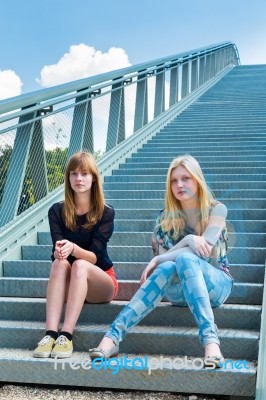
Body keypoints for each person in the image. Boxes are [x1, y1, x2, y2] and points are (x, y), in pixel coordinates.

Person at [89, 154, 233, 367]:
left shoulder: (217, 209)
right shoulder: (164, 218)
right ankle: (112, 337)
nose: (179, 185)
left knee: (183, 259)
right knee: (170, 265)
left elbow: (205, 249)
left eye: (186, 178)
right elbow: (167, 264)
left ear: (197, 180)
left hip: (216, 285)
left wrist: (184, 242)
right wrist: (184, 245)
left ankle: (211, 342)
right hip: (178, 292)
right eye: (174, 181)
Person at [33, 151, 117, 358]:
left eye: (85, 174)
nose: (78, 179)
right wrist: (59, 251)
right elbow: (58, 252)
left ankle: (66, 337)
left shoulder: (106, 212)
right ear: (68, 178)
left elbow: (96, 257)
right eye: (74, 174)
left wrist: (74, 248)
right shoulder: (56, 211)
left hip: (101, 282)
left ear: (94, 178)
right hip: (72, 282)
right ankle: (51, 334)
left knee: (79, 264)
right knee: (59, 264)